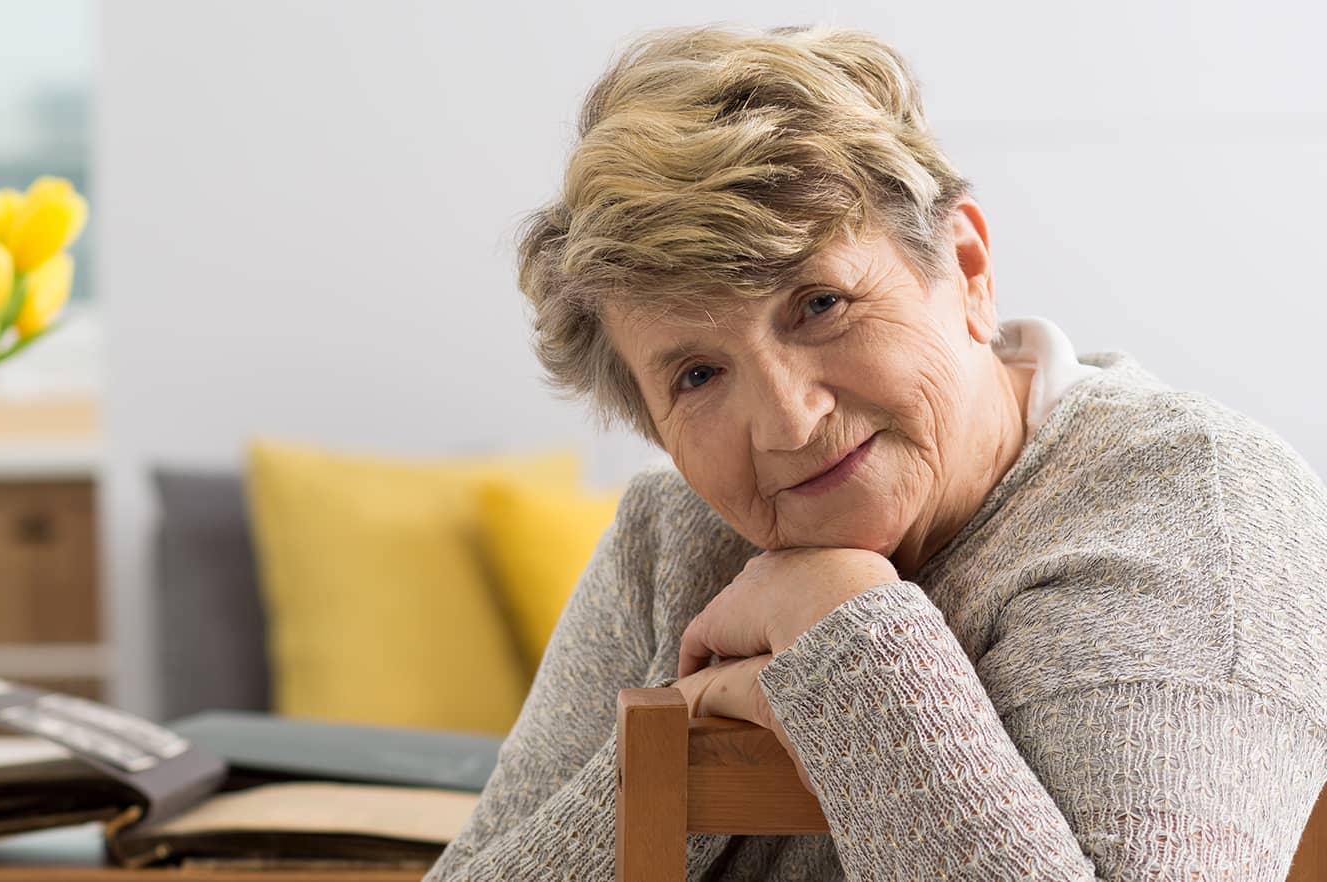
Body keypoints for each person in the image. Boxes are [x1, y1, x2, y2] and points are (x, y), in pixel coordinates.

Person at [422, 22, 1327, 881]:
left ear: (968, 271)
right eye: (698, 375)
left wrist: (847, 636)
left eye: (819, 304)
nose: (788, 422)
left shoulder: (1188, 499)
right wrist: (674, 747)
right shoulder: (670, 540)